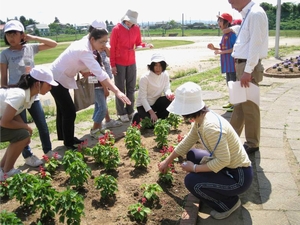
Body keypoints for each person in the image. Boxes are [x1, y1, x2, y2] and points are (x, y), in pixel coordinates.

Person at [158, 82, 253, 220]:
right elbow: (187, 141)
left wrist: (195, 168)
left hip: (239, 177)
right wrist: (167, 161)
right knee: (192, 154)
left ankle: (228, 204)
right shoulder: (202, 118)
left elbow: (223, 160)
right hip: (229, 166)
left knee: (192, 182)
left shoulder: (210, 127)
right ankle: (217, 190)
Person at [50, 28, 131, 150]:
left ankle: (67, 138)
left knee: (64, 110)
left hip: (61, 77)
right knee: (69, 111)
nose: (104, 45)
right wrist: (117, 91)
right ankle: (68, 142)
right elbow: (100, 74)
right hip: (56, 78)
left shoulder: (87, 43)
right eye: (102, 42)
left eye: (106, 41)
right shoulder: (84, 50)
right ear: (92, 39)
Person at [0, 20, 61, 167]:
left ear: (22, 35)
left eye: (15, 33)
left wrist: (33, 38)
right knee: (22, 127)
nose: (11, 37)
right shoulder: (5, 53)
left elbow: (54, 44)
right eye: (8, 34)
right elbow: (3, 78)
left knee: (42, 124)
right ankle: (28, 155)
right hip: (16, 95)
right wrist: (6, 91)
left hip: (32, 93)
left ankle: (48, 150)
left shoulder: (30, 48)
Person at [0, 66, 58, 181]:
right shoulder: (20, 95)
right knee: (22, 135)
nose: (50, 88)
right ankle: (8, 170)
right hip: (2, 120)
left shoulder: (29, 96)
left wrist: (26, 130)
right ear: (38, 84)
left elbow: (15, 113)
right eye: (48, 84)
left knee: (22, 135)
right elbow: (5, 122)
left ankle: (3, 168)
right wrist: (26, 128)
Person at [228, 0, 268, 154]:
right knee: (239, 104)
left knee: (250, 107)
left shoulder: (256, 13)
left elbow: (255, 44)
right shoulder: (249, 14)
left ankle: (252, 143)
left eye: (231, 1)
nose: (231, 5)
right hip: (243, 66)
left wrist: (248, 70)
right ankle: (231, 138)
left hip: (247, 67)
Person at [110, 9, 153, 122]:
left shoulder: (136, 28)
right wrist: (113, 65)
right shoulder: (116, 29)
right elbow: (112, 48)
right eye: (128, 20)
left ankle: (130, 110)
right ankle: (121, 112)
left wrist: (145, 45)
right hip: (119, 62)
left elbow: (138, 43)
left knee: (131, 88)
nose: (129, 23)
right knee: (120, 88)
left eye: (131, 21)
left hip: (131, 62)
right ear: (124, 18)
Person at [84, 20, 123, 139]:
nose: (103, 43)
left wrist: (104, 47)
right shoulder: (89, 49)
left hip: (100, 77)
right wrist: (106, 87)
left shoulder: (97, 48)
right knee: (102, 105)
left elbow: (110, 56)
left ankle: (99, 126)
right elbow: (96, 73)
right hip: (97, 80)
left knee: (100, 103)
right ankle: (96, 128)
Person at [132, 53, 174, 125]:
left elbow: (167, 88)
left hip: (156, 102)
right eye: (156, 65)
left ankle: (158, 117)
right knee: (150, 125)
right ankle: (138, 115)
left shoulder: (165, 75)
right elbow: (143, 98)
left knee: (168, 101)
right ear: (152, 66)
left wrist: (169, 94)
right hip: (144, 105)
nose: (158, 68)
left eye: (160, 65)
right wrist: (151, 113)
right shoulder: (145, 78)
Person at [207, 13, 237, 113]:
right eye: (218, 21)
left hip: (233, 64)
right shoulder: (225, 35)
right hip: (227, 65)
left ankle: (236, 104)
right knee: (229, 83)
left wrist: (221, 52)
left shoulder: (232, 35)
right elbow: (223, 48)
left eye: (220, 21)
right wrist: (214, 48)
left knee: (233, 83)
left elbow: (235, 49)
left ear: (227, 22)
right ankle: (232, 102)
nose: (219, 23)